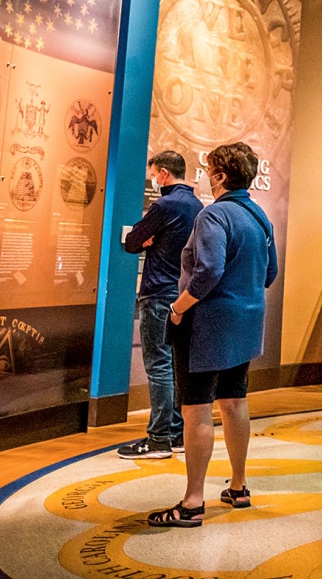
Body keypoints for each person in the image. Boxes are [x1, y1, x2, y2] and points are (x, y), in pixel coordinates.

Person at [148, 143, 277, 528]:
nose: (205, 175)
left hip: (206, 325)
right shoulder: (259, 215)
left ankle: (191, 502)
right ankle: (238, 487)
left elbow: (207, 272)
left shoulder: (213, 216)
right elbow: (269, 274)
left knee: (195, 408)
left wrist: (178, 307)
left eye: (210, 170)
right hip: (246, 323)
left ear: (221, 176)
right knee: (235, 401)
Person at [119, 150, 202, 460]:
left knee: (158, 366)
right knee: (176, 366)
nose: (153, 179)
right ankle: (177, 433)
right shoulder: (196, 205)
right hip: (183, 294)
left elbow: (131, 242)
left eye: (154, 173)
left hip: (158, 294)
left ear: (164, 173)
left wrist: (146, 239)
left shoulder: (165, 205)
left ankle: (157, 439)